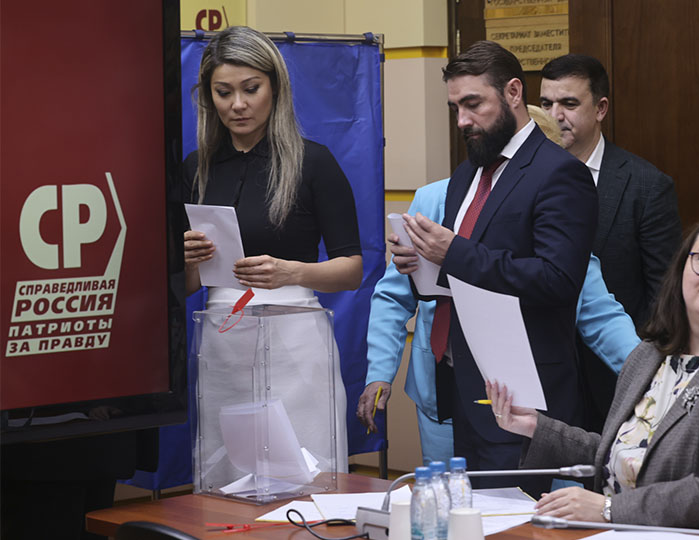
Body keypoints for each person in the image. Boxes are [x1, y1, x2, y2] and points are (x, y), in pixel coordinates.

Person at [487, 213, 699, 538]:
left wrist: (608, 509)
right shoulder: (649, 354)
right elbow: (630, 454)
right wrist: (536, 427)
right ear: (681, 271)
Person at [358, 110, 639, 467]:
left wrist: (651, 377)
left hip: (513, 393)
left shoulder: (554, 215)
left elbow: (600, 314)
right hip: (439, 383)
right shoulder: (435, 199)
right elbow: (393, 295)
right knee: (446, 490)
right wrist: (379, 372)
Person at [393, 41, 598, 493]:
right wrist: (422, 265)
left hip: (527, 398)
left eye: (473, 104)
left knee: (520, 521)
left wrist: (452, 253)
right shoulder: (467, 173)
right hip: (466, 389)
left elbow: (558, 280)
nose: (462, 121)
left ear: (512, 93)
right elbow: (463, 278)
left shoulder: (560, 173)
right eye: (455, 108)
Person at [181, 26, 362, 476]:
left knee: (305, 471)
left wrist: (291, 272)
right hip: (222, 339)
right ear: (208, 97)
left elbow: (351, 269)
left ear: (275, 88)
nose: (237, 105)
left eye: (251, 89)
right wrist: (187, 262)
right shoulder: (196, 169)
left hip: (295, 337)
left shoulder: (313, 162)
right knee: (227, 475)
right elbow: (184, 287)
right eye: (223, 92)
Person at [540, 54, 681, 432]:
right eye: (546, 104)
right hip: (542, 379)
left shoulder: (646, 186)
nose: (555, 116)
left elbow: (664, 297)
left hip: (614, 380)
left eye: (569, 103)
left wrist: (644, 376)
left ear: (600, 109)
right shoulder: (519, 178)